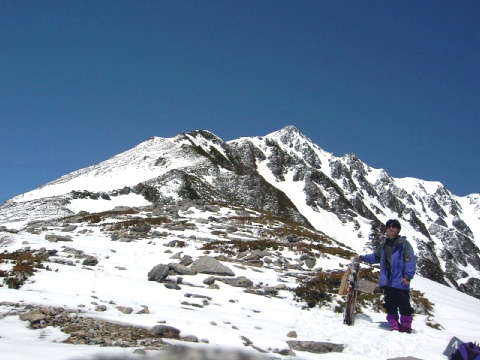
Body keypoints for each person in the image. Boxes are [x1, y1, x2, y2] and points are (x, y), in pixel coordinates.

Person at [354, 219, 416, 333]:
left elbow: (409, 261)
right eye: (389, 226)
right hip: (387, 281)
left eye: (394, 226)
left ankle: (406, 327)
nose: (391, 228)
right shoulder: (384, 245)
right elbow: (375, 257)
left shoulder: (404, 245)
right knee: (390, 304)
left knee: (404, 305)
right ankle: (394, 325)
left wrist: (407, 276)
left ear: (398, 229)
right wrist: (362, 257)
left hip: (400, 280)